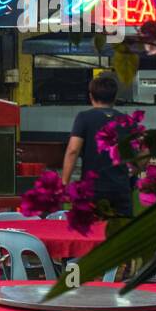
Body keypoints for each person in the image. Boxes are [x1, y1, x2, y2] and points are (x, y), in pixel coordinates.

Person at [61, 73, 133, 217]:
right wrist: (133, 172)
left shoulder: (84, 118)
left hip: (92, 190)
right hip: (121, 189)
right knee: (121, 233)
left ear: (91, 96)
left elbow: (73, 150)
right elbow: (144, 150)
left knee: (90, 234)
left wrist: (64, 182)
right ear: (115, 97)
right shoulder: (126, 120)